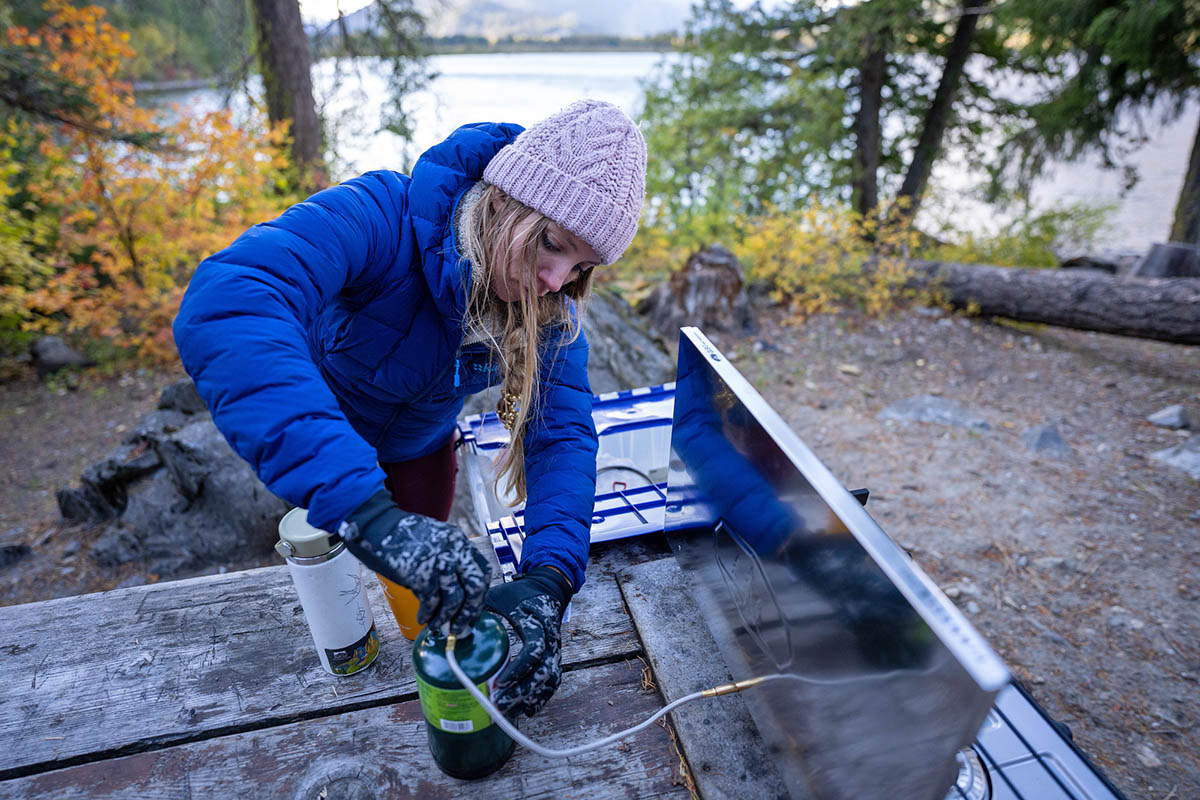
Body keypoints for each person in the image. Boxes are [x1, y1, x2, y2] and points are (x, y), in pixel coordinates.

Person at [173, 100, 647, 718]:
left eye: (581, 266)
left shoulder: (546, 308)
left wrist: (547, 583)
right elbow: (230, 299)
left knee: (420, 605)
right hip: (322, 448)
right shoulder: (381, 217)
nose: (557, 279)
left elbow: (560, 434)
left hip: (422, 456)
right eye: (551, 244)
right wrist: (365, 514)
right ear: (502, 199)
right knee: (333, 600)